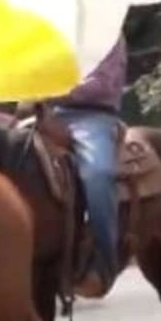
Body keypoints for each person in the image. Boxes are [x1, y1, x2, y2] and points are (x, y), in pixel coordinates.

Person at [50, 35, 127, 299]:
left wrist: (53, 88)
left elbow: (102, 85)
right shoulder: (50, 26)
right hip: (42, 112)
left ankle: (104, 263)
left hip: (90, 115)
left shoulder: (108, 29)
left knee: (98, 174)